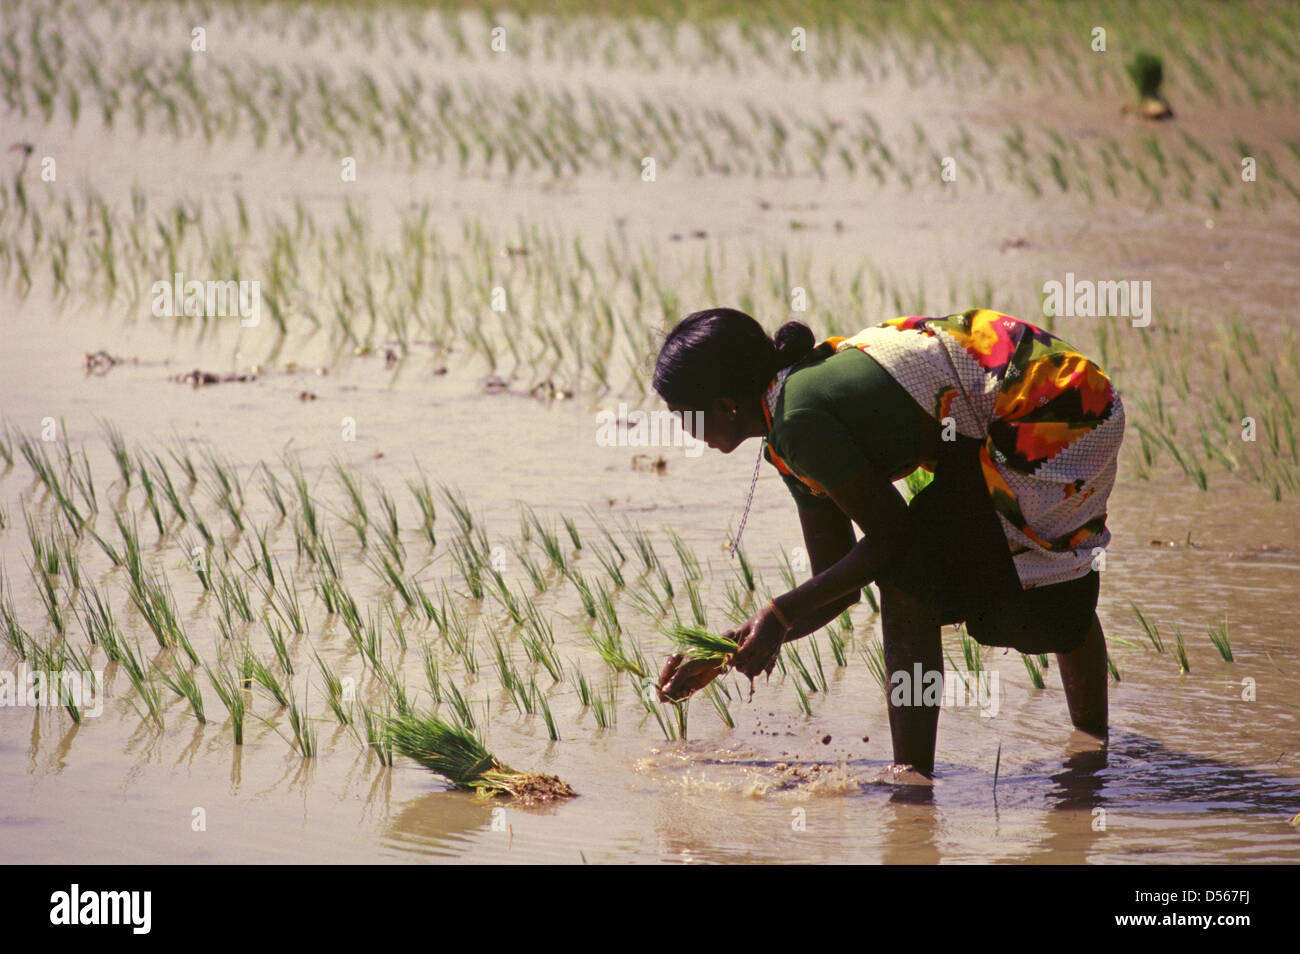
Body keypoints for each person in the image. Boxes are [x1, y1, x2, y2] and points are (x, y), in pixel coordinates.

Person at [652, 307, 1125, 779]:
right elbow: (835, 585)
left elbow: (893, 539)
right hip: (1054, 397)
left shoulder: (798, 421)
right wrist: (726, 649)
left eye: (683, 415)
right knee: (1012, 578)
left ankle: (911, 779)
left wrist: (778, 615)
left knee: (938, 586)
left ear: (725, 405)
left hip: (1052, 411)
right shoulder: (788, 424)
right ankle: (1091, 743)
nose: (683, 429)